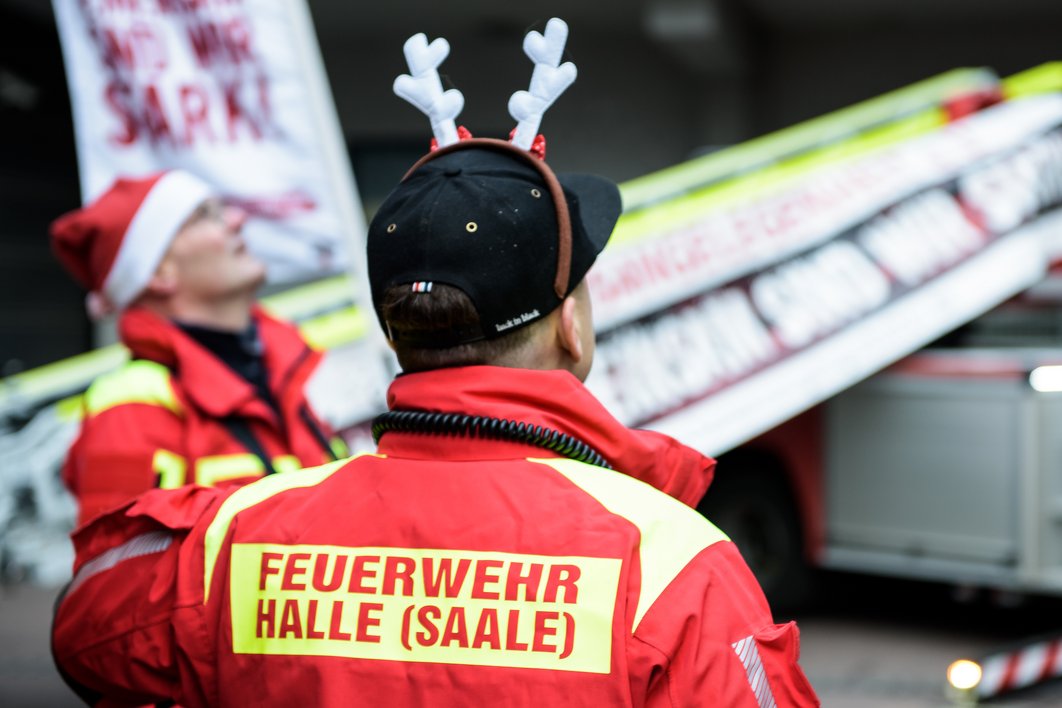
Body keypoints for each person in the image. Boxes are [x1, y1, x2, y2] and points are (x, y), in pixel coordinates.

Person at [52, 27, 818, 705]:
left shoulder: (235, 538)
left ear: (402, 334)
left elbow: (85, 627)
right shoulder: (677, 570)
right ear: (571, 329)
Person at [50, 170, 345, 526]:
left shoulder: (288, 372)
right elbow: (122, 577)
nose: (237, 220)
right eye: (206, 216)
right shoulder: (131, 406)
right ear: (159, 274)